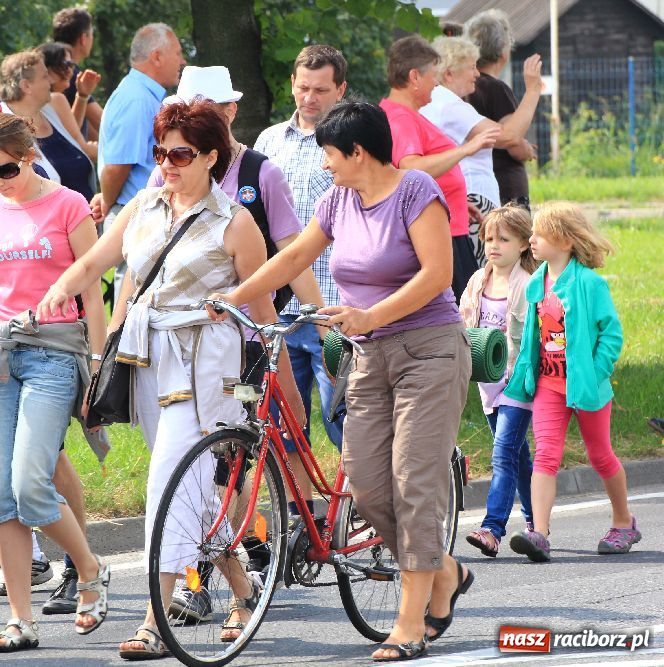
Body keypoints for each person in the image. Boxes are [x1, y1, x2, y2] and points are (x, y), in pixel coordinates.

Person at [38, 99, 306, 661]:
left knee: (167, 481)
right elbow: (100, 263)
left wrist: (290, 389)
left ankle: (155, 617)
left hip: (211, 366)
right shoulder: (146, 204)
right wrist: (59, 292)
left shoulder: (235, 222)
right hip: (149, 360)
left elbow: (261, 312)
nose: (167, 163)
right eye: (160, 152)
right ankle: (242, 587)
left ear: (212, 156)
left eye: (180, 153)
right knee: (192, 488)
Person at [208, 102, 473, 661]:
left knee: (413, 484)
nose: (322, 163)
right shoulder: (337, 200)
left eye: (328, 152)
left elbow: (438, 275)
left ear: (356, 152)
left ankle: (410, 622)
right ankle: (442, 570)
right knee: (369, 489)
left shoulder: (414, 190)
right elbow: (297, 253)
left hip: (429, 352)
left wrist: (372, 315)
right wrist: (233, 297)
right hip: (367, 358)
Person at [144, 65, 325, 617]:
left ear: (230, 113)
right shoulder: (164, 178)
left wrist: (316, 319)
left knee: (225, 466)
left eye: (214, 106)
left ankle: (237, 572)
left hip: (243, 336)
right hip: (175, 348)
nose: (206, 116)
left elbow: (292, 251)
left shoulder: (259, 173)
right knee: (205, 470)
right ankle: (215, 581)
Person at [0, 113, 109, 653]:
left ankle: (90, 567)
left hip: (53, 349)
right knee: (2, 495)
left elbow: (92, 290)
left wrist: (97, 364)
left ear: (29, 154)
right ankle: (21, 619)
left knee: (30, 483)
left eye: (5, 169)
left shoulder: (69, 203)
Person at [505, 203, 639, 562]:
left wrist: (594, 374)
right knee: (546, 455)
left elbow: (611, 334)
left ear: (563, 241)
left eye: (538, 234)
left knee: (600, 455)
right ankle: (540, 534)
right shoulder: (538, 282)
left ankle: (623, 522)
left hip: (587, 387)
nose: (531, 240)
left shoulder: (591, 284)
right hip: (549, 384)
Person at [253, 44, 348, 526]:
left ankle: (360, 509)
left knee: (343, 421)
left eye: (321, 90)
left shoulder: (351, 143)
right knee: (287, 427)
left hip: (334, 307)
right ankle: (302, 519)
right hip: (281, 313)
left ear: (341, 90)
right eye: (303, 87)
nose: (309, 98)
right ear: (291, 82)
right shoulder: (269, 141)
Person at [380, 35, 501, 300]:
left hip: (450, 225)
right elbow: (411, 169)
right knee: (463, 317)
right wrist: (466, 149)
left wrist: (450, 200)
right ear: (414, 77)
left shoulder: (407, 115)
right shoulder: (401, 117)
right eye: (432, 75)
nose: (435, 83)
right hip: (441, 237)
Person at [420, 37, 543, 265]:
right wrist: (533, 90)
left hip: (462, 195)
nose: (477, 74)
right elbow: (509, 136)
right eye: (471, 67)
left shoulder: (435, 103)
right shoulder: (449, 105)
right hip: (475, 195)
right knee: (485, 273)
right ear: (449, 74)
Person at [459, 206, 538, 557]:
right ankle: (539, 523)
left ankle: (492, 529)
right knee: (518, 457)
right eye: (489, 238)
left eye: (504, 239)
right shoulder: (478, 280)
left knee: (503, 454)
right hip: (487, 383)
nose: (494, 245)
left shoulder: (529, 284)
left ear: (523, 244)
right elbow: (462, 323)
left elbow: (533, 340)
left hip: (518, 382)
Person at [93, 22, 185, 300]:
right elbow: (118, 166)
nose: (182, 61)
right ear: (157, 57)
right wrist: (108, 202)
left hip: (134, 209)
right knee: (131, 298)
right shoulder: (137, 99)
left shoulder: (140, 94)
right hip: (132, 211)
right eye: (178, 53)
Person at [0, 50, 97, 200]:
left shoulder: (55, 106)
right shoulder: (3, 130)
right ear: (26, 86)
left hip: (89, 216)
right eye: (44, 76)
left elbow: (79, 144)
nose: (50, 81)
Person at [465, 9, 538, 209]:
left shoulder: (464, 89)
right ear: (503, 51)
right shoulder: (495, 88)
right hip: (505, 187)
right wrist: (527, 150)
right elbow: (511, 141)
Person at [51, 6, 103, 138]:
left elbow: (89, 128)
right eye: (92, 34)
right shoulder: (71, 75)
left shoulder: (48, 69)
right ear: (83, 39)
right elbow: (104, 123)